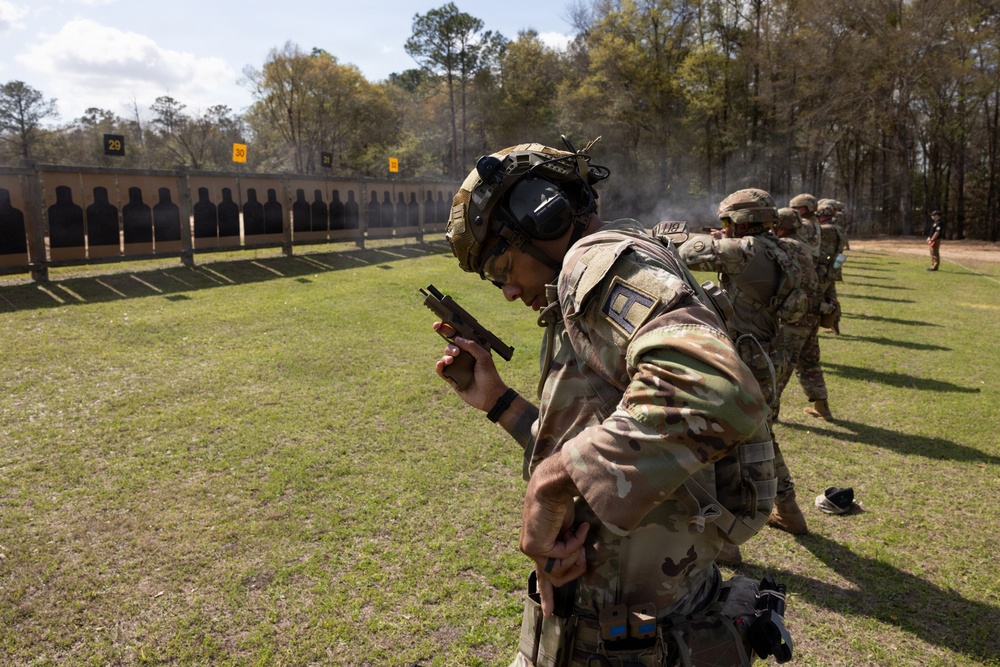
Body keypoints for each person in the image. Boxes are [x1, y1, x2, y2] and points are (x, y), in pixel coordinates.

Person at [433, 142, 774, 666]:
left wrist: (547, 490)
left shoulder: (591, 263)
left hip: (629, 638)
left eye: (500, 265)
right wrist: (499, 401)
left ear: (541, 215)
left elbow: (711, 387)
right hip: (633, 621)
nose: (505, 290)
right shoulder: (612, 273)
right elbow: (598, 438)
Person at [677, 190, 810, 552]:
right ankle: (789, 509)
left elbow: (687, 253)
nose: (724, 230)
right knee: (760, 434)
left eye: (726, 223)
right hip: (772, 354)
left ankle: (724, 543)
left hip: (746, 357)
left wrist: (711, 240)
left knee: (721, 443)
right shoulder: (794, 248)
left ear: (741, 223)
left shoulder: (746, 250)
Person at [815, 200, 849, 334]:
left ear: (823, 216)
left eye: (818, 216)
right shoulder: (837, 227)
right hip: (834, 267)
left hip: (824, 269)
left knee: (817, 296)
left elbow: (821, 251)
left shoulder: (825, 230)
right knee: (831, 297)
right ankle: (835, 324)